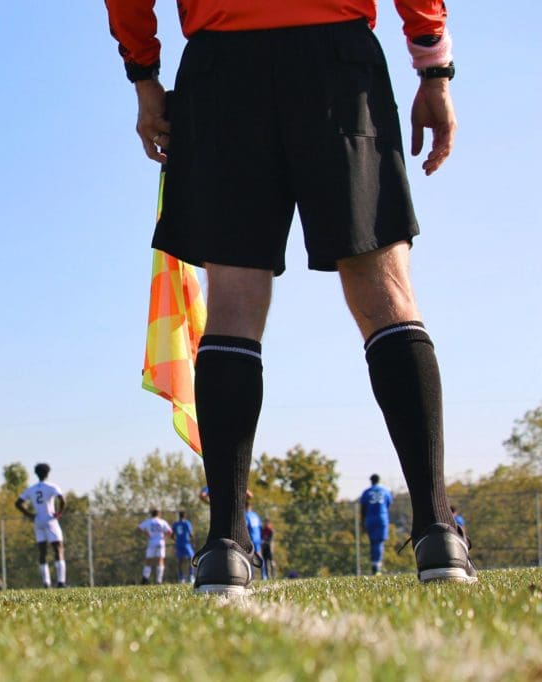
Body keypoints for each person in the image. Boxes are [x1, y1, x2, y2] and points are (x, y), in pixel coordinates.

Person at [104, 0, 474, 594]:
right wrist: (433, 66)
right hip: (336, 56)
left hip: (223, 64)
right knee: (387, 292)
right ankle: (437, 532)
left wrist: (145, 77)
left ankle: (225, 548)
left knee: (233, 303)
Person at [15, 463, 67, 588]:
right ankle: (61, 582)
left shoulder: (31, 489)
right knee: (58, 548)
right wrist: (59, 513)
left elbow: (18, 503)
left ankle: (46, 583)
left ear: (36, 474)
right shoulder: (51, 487)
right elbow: (62, 500)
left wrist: (29, 515)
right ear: (48, 473)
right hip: (50, 519)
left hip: (38, 520)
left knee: (42, 552)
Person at [360, 474, 394, 575]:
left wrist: (362, 522)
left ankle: (374, 565)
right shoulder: (385, 491)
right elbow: (388, 504)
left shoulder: (366, 492)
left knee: (373, 542)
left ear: (371, 481)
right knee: (379, 542)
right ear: (379, 480)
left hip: (370, 519)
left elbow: (363, 508)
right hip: (381, 518)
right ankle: (377, 566)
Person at [138, 509, 172, 585]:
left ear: (151, 514)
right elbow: (170, 531)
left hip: (151, 542)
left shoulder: (149, 521)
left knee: (148, 561)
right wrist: (165, 539)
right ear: (159, 514)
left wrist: (146, 533)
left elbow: (140, 528)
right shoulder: (162, 522)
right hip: (160, 542)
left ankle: (145, 578)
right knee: (160, 561)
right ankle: (159, 580)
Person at [171, 511, 195, 584]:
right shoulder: (187, 523)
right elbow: (191, 534)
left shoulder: (175, 524)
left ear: (179, 516)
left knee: (180, 561)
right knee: (191, 558)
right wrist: (191, 537)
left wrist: (177, 540)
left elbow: (172, 535)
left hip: (178, 544)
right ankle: (191, 576)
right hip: (186, 543)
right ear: (185, 516)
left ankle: (181, 578)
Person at [245, 500, 263, 573]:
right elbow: (260, 526)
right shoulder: (255, 515)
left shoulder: (245, 515)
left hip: (250, 539)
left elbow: (245, 527)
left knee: (249, 557)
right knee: (260, 557)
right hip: (258, 538)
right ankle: (264, 576)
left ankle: (252, 575)